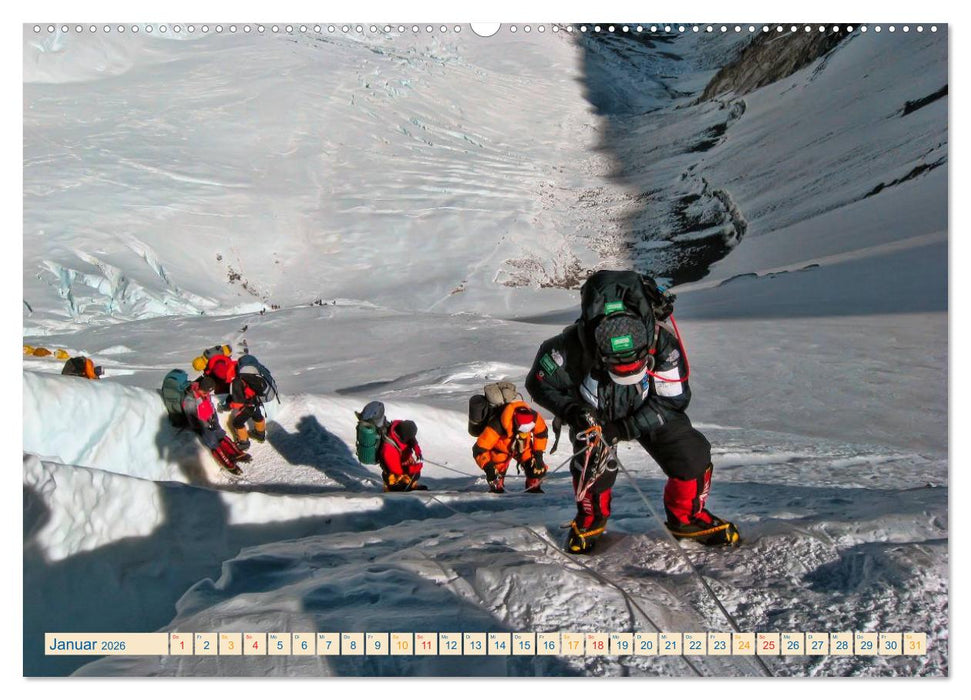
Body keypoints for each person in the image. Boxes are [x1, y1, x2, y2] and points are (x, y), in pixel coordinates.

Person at [524, 270, 739, 554]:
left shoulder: (662, 343)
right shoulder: (567, 348)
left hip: (648, 407)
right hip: (594, 414)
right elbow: (539, 383)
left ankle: (687, 519)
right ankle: (591, 519)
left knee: (691, 453)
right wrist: (574, 411)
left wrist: (626, 428)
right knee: (592, 464)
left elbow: (673, 400)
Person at [473, 401, 549, 493]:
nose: (525, 433)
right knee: (496, 483)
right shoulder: (497, 425)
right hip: (500, 451)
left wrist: (538, 456)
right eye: (523, 430)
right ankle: (497, 488)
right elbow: (479, 449)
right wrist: (489, 468)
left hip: (523, 448)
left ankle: (533, 486)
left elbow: (541, 432)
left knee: (537, 469)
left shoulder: (534, 417)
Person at [182, 376, 251, 474]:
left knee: (220, 433)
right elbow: (192, 418)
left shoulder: (205, 394)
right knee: (212, 440)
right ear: (200, 388)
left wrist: (214, 418)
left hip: (210, 420)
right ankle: (226, 462)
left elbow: (211, 406)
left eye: (208, 393)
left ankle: (234, 452)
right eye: (205, 392)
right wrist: (204, 426)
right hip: (201, 425)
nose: (207, 394)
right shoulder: (190, 399)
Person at [226, 363, 268, 450]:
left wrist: (229, 405)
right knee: (257, 416)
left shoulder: (237, 381)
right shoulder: (252, 377)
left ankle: (244, 443)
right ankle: (260, 434)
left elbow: (238, 403)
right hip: (256, 402)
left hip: (248, 406)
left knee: (237, 423)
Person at [379, 419, 427, 492]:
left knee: (415, 474)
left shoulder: (400, 429)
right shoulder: (389, 449)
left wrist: (417, 449)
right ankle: (398, 490)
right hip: (393, 477)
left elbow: (411, 438)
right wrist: (415, 468)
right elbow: (398, 470)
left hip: (401, 463)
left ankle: (411, 485)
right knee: (415, 474)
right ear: (404, 436)